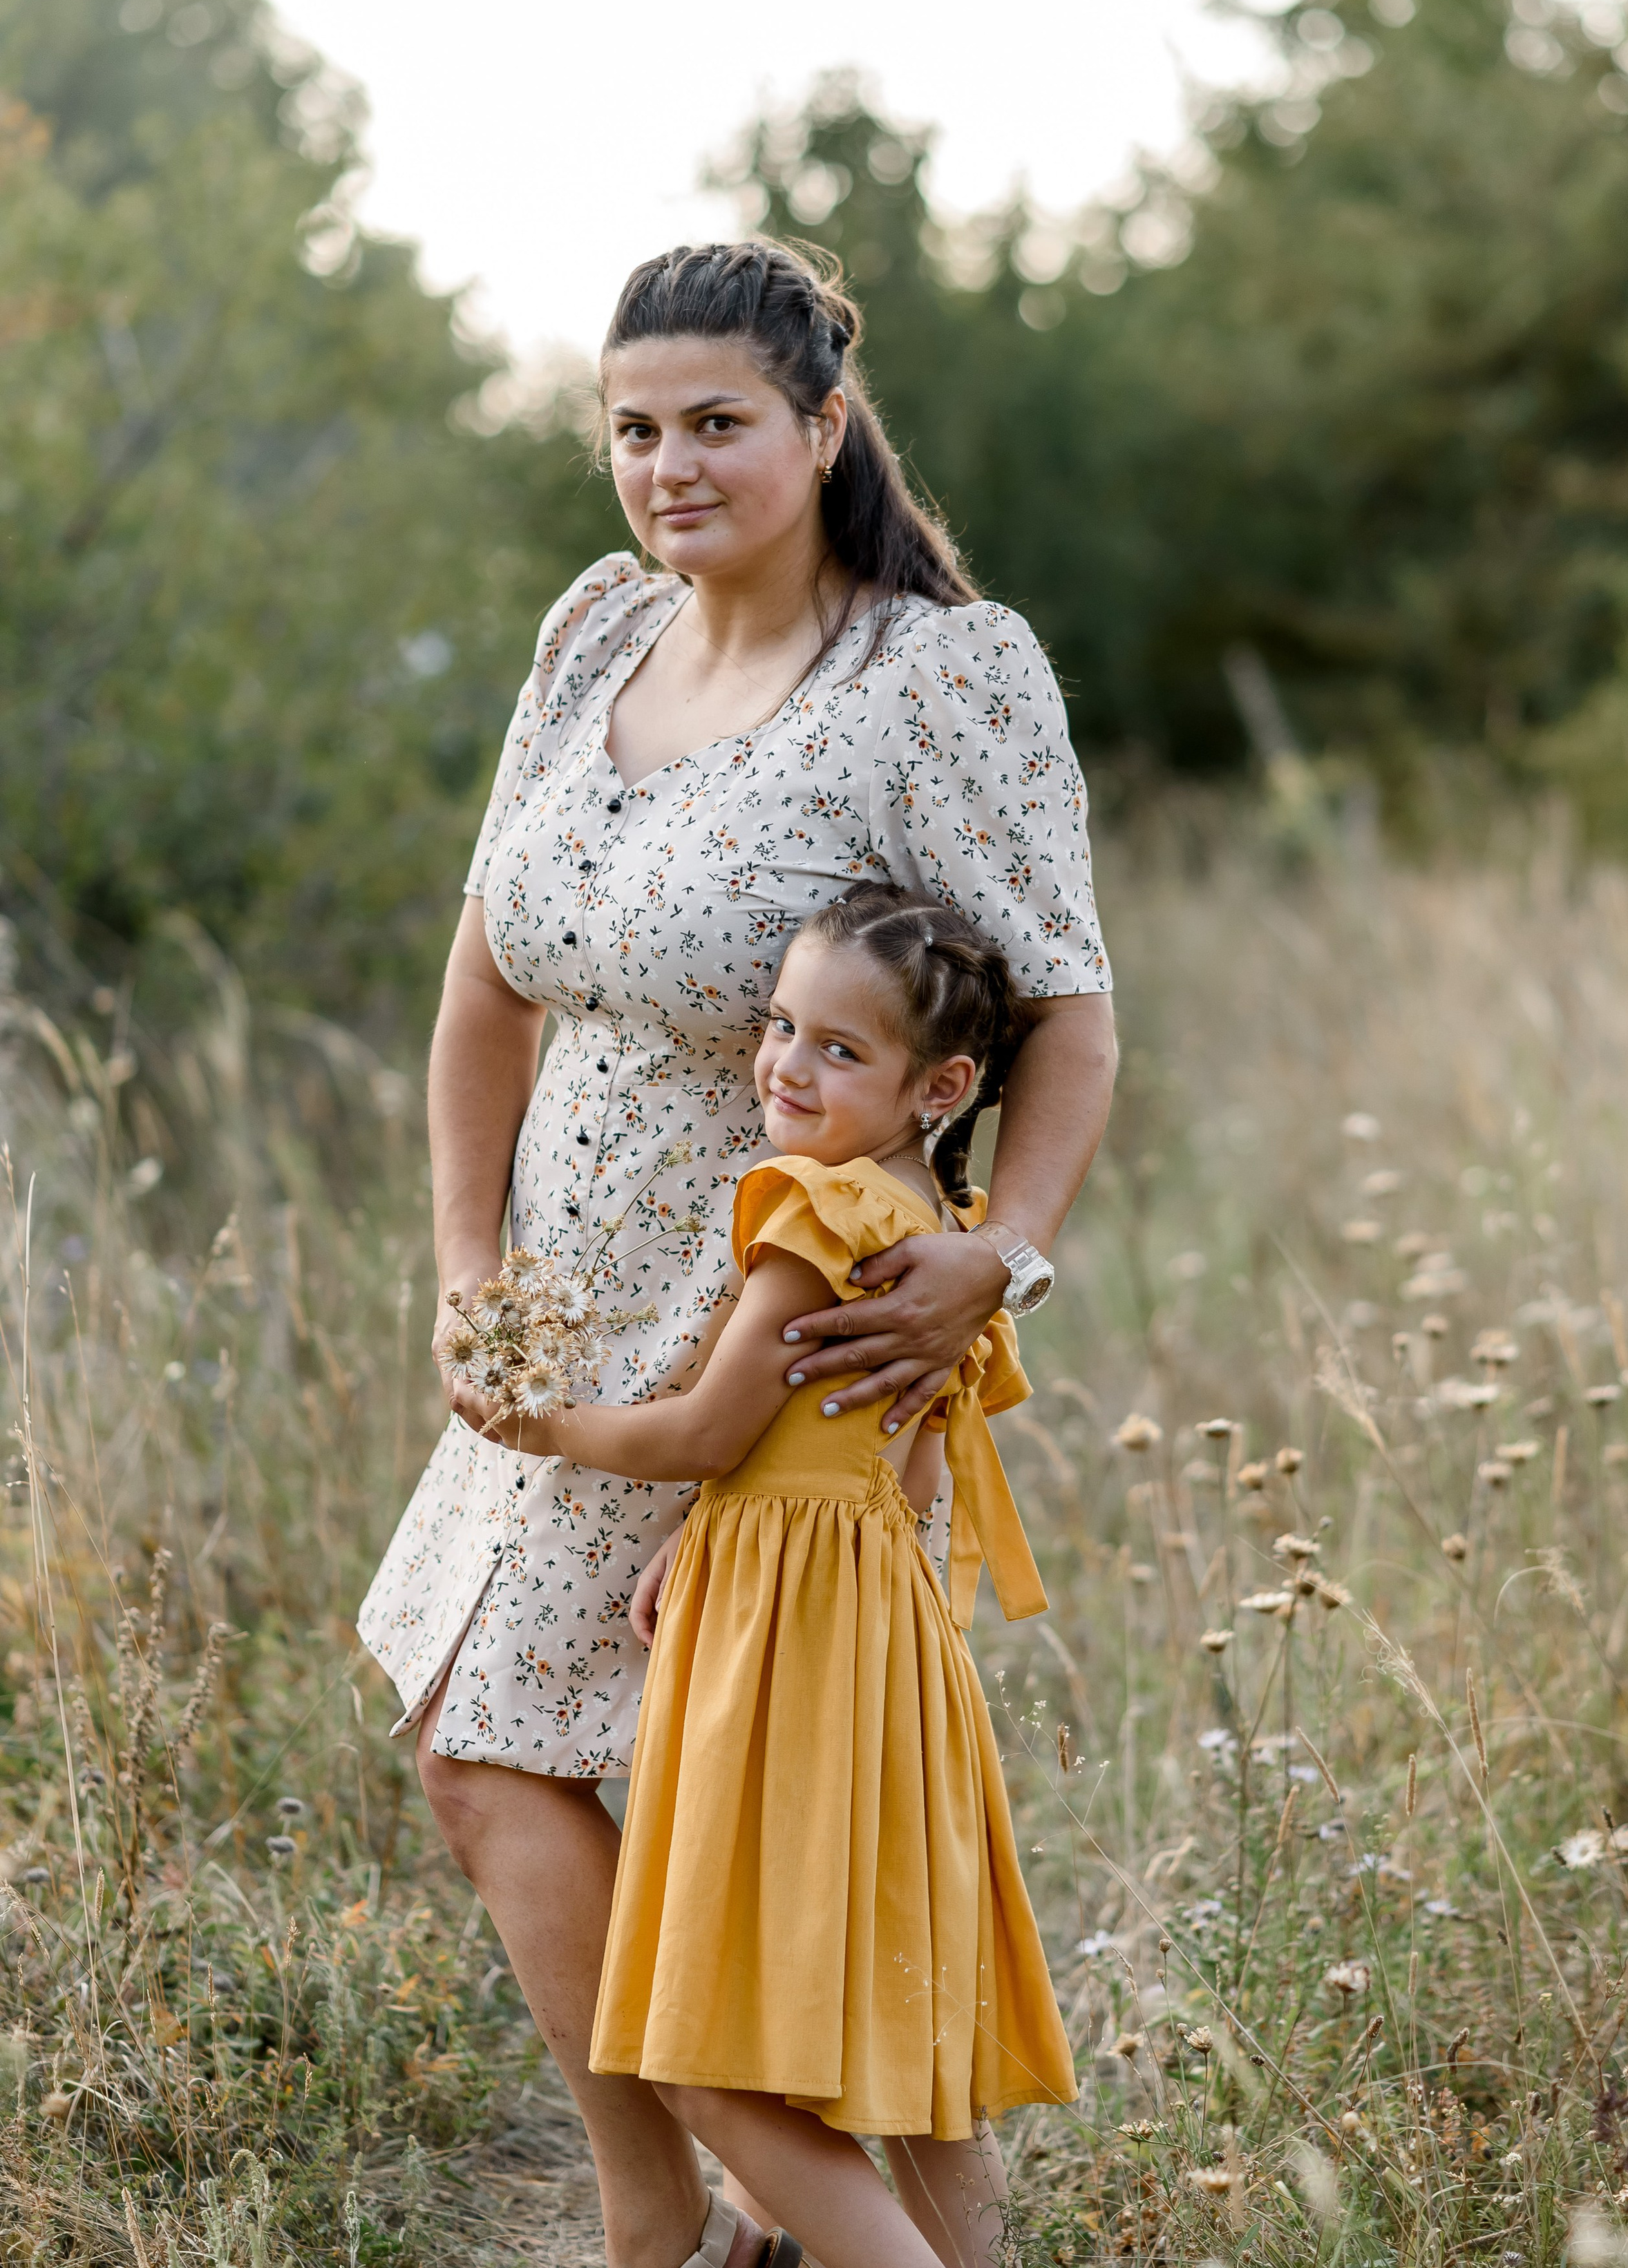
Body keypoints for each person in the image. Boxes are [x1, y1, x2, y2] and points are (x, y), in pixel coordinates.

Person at [357, 238, 1115, 2268]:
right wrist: (462, 1260)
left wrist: (1004, 1256)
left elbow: (1074, 1008)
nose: (669, 465)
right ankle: (686, 2220)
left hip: (764, 1329)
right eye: (632, 428)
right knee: (495, 1742)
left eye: (715, 423)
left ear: (821, 427)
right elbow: (486, 983)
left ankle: (707, 2227)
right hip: (556, 1313)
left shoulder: (941, 675)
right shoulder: (596, 629)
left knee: (655, 1794)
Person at [472, 882, 1077, 2268]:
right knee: (908, 2033)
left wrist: (535, 1420)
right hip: (884, 1629)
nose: (786, 1067)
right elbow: (902, 1463)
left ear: (942, 1082)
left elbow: (699, 1429)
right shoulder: (943, 1235)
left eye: (837, 1050)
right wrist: (731, 1516)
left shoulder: (812, 1211)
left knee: (697, 2049)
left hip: (783, 1639)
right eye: (778, 1025)